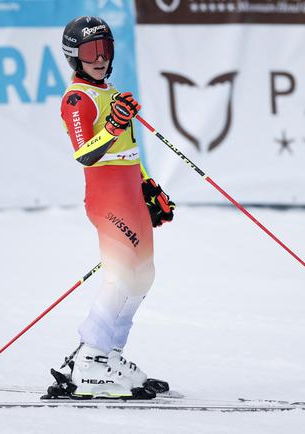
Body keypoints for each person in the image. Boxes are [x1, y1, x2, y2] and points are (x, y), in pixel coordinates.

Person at [55, 16, 174, 399]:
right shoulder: (77, 98)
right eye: (91, 52)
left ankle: (110, 355)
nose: (100, 58)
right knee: (122, 276)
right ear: (75, 57)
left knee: (144, 276)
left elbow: (128, 149)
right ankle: (90, 360)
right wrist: (111, 125)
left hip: (128, 194)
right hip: (106, 198)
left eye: (105, 50)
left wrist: (147, 187)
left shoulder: (111, 91)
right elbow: (84, 154)